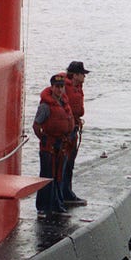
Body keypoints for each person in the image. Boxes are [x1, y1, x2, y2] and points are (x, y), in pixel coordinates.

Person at [32, 73, 75, 217]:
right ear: (52, 87)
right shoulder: (45, 105)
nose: (60, 89)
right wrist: (43, 139)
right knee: (46, 176)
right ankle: (42, 207)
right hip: (49, 146)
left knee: (59, 177)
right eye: (57, 87)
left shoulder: (64, 102)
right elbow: (36, 125)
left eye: (62, 87)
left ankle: (57, 205)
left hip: (61, 146)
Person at [61, 61, 90, 206]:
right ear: (76, 75)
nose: (85, 77)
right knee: (65, 164)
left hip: (73, 127)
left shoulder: (74, 87)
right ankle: (64, 195)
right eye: (83, 74)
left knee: (68, 164)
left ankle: (66, 193)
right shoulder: (67, 88)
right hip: (68, 131)